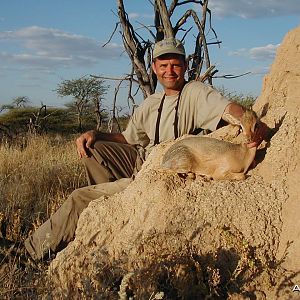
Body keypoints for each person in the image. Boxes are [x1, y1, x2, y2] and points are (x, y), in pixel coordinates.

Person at [24, 37, 267, 261]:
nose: (169, 71)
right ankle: (107, 214)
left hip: (159, 173)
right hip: (140, 162)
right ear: (154, 67)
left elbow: (228, 109)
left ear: (185, 66)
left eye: (175, 64)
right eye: (163, 65)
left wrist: (248, 120)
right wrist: (95, 134)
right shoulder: (151, 103)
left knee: (79, 197)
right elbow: (129, 138)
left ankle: (30, 253)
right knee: (94, 148)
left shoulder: (195, 92)